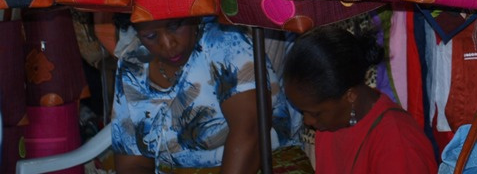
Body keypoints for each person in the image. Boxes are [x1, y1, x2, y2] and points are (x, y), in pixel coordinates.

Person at [112, 16, 298, 174]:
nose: (168, 44)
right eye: (151, 36)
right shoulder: (133, 65)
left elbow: (251, 132)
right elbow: (132, 163)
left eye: (176, 26)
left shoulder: (224, 40)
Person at [283, 26, 438, 174]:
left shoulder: (398, 142)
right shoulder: (330, 125)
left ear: (350, 96)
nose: (307, 121)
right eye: (303, 112)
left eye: (314, 114)